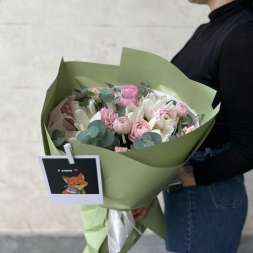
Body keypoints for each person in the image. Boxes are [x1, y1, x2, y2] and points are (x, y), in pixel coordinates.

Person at [132, 0, 253, 252]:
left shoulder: (242, 35)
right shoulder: (209, 30)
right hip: (188, 187)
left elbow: (249, 148)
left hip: (207, 192)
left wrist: (177, 178)